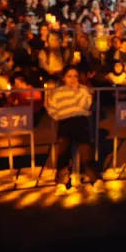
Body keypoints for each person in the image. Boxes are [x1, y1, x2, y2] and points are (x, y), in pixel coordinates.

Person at [47, 66, 102, 194]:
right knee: (63, 153)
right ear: (64, 78)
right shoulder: (58, 92)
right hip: (65, 122)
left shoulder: (84, 90)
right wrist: (60, 116)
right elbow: (52, 109)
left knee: (86, 152)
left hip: (80, 122)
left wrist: (77, 91)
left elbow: (86, 105)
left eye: (75, 76)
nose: (72, 79)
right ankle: (62, 182)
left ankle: (95, 180)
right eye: (69, 76)